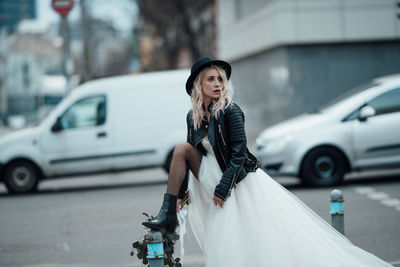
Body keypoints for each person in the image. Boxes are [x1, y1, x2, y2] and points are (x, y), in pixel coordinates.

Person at [143, 57, 393, 267]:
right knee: (180, 149)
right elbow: (189, 156)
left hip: (235, 179)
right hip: (208, 174)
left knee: (244, 240)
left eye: (220, 79)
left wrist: (224, 187)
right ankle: (169, 212)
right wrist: (181, 197)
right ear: (199, 84)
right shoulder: (193, 116)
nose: (218, 83)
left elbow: (239, 154)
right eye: (211, 79)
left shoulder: (231, 111)